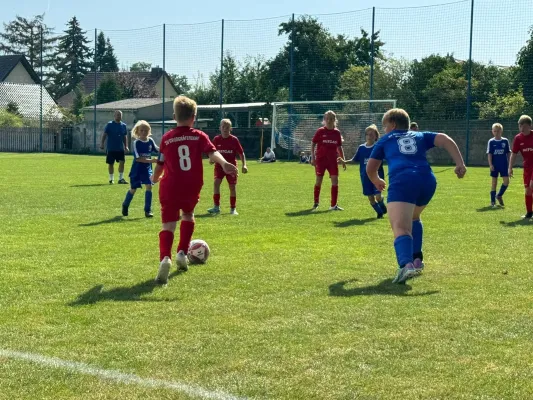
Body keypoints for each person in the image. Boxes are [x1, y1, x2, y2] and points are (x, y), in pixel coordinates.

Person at [366, 108, 466, 284]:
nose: (384, 130)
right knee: (414, 217)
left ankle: (406, 265)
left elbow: (371, 167)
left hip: (403, 180)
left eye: (385, 126)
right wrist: (460, 163)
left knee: (399, 227)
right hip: (427, 180)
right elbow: (444, 139)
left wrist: (376, 180)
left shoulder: (385, 140)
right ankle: (417, 260)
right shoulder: (419, 135)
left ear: (393, 124)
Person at [151, 96, 237, 284]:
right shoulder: (199, 135)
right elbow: (212, 153)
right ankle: (182, 252)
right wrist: (224, 163)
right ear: (194, 117)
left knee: (168, 226)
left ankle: (166, 258)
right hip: (191, 185)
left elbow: (160, 164)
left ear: (174, 116)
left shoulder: (167, 138)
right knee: (188, 215)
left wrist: (154, 178)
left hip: (170, 185)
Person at [207, 119, 248, 215]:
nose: (225, 129)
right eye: (223, 127)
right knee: (216, 183)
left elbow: (241, 153)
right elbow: (212, 152)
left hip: (231, 166)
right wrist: (211, 159)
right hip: (219, 166)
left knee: (232, 187)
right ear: (220, 128)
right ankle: (216, 207)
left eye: (227, 127)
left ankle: (233, 209)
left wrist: (244, 165)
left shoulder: (234, 140)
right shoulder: (216, 139)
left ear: (231, 128)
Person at [121, 121, 159, 218]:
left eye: (146, 130)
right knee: (133, 189)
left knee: (149, 186)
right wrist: (152, 161)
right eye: (141, 130)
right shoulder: (136, 142)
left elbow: (158, 149)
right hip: (137, 170)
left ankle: (148, 210)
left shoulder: (150, 141)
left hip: (147, 170)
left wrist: (166, 147)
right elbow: (138, 159)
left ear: (149, 131)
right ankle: (125, 204)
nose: (144, 132)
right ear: (137, 131)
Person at [310, 110, 347, 211]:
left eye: (331, 119)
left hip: (332, 161)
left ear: (335, 120)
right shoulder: (320, 131)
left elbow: (339, 147)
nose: (329, 120)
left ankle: (333, 205)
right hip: (321, 160)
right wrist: (313, 157)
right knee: (319, 180)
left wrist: (343, 159)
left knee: (335, 180)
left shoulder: (337, 133)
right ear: (324, 120)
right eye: (327, 118)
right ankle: (316, 203)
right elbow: (313, 143)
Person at [349, 124, 387, 218]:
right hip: (365, 177)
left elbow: (387, 157)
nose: (369, 136)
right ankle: (380, 212)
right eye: (368, 134)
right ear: (365, 136)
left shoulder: (378, 147)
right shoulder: (361, 148)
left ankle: (381, 207)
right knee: (371, 198)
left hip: (377, 176)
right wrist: (344, 161)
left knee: (378, 197)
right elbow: (354, 159)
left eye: (372, 134)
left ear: (376, 136)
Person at [509, 115, 533, 219]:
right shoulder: (518, 138)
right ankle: (529, 213)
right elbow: (513, 154)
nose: (520, 127)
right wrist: (510, 167)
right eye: (519, 125)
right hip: (527, 167)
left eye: (523, 125)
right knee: (528, 190)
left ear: (529, 126)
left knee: (532, 186)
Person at [100, 110, 129, 184]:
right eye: (117, 115)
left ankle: (121, 178)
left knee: (122, 162)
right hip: (111, 148)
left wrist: (126, 146)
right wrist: (102, 143)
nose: (119, 116)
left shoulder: (123, 125)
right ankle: (111, 179)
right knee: (111, 163)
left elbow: (124, 136)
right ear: (114, 116)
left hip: (120, 148)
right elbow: (104, 134)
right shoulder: (110, 124)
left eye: (120, 115)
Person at [486, 123, 510, 207]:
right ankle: (493, 201)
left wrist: (510, 165)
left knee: (506, 181)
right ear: (492, 131)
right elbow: (489, 154)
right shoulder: (491, 141)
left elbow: (508, 153)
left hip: (504, 165)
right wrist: (490, 164)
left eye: (498, 131)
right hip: (495, 165)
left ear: (501, 131)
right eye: (495, 131)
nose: (496, 133)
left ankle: (499, 195)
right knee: (494, 183)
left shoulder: (505, 141)